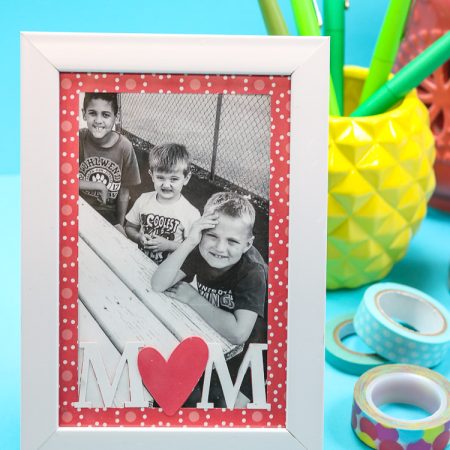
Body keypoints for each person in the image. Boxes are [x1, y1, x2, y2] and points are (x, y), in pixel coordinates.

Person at [151, 191, 267, 405]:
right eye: (212, 236)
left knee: (230, 411)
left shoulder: (253, 272)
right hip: (218, 336)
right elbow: (158, 284)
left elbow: (239, 333)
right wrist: (189, 242)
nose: (220, 248)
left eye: (232, 241)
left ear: (247, 245)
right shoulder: (199, 250)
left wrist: (194, 299)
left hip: (258, 350)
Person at [125, 143, 200, 264]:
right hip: (140, 263)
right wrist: (139, 238)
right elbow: (129, 227)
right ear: (152, 175)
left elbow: (195, 250)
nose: (166, 185)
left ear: (186, 178)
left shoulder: (191, 213)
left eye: (174, 179)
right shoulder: (143, 200)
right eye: (160, 177)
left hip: (169, 272)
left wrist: (169, 245)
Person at [79, 93, 141, 233]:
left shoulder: (125, 147)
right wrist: (98, 186)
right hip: (80, 206)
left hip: (107, 213)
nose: (98, 121)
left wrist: (120, 224)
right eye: (93, 113)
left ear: (116, 117)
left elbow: (124, 192)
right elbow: (62, 181)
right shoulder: (78, 139)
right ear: (84, 114)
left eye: (106, 115)